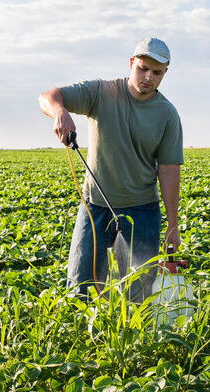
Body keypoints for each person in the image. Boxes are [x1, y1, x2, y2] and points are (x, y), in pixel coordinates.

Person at [38, 37, 183, 302]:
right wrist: (60, 112)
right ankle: (86, 335)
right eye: (142, 68)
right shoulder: (100, 93)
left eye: (157, 72)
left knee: (138, 293)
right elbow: (48, 97)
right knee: (81, 287)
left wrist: (173, 224)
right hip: (95, 205)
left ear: (165, 73)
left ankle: (131, 341)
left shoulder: (167, 114)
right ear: (131, 63)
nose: (148, 77)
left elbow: (169, 170)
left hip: (142, 209)